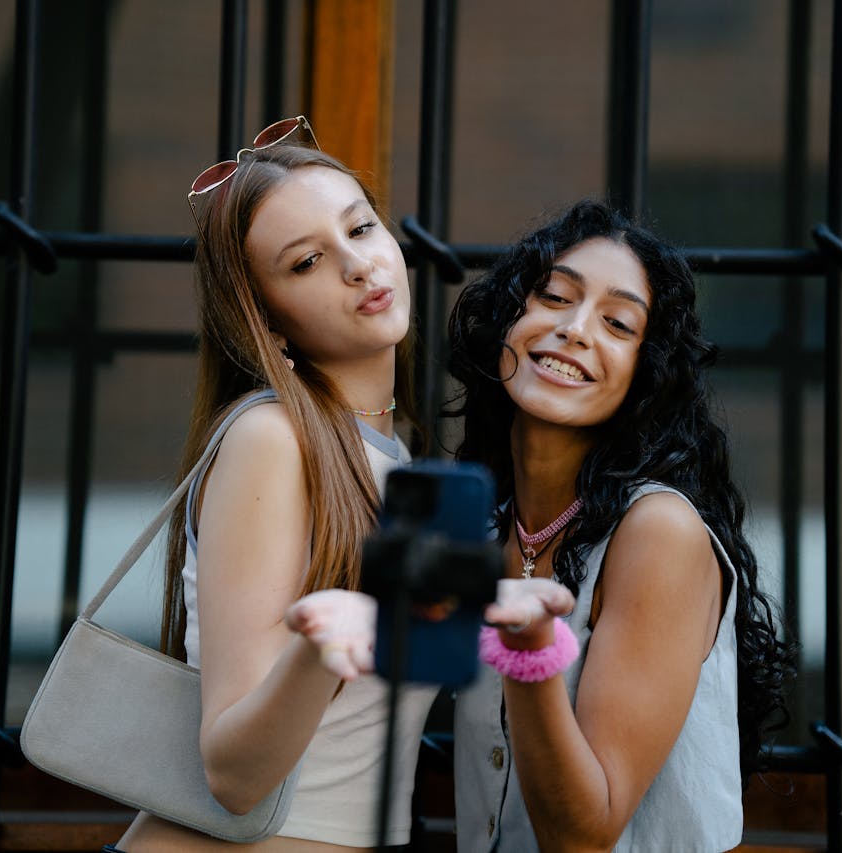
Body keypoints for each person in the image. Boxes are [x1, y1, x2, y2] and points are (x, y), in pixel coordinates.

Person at [112, 117, 437, 851]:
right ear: (268, 322)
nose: (358, 265)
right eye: (305, 263)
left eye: (360, 228)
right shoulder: (274, 439)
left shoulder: (390, 457)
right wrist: (328, 643)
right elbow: (232, 770)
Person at [447, 199, 793, 852]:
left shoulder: (658, 531)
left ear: (645, 375)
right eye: (553, 296)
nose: (575, 329)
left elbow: (584, 834)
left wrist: (530, 651)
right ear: (506, 321)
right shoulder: (491, 523)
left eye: (618, 322)